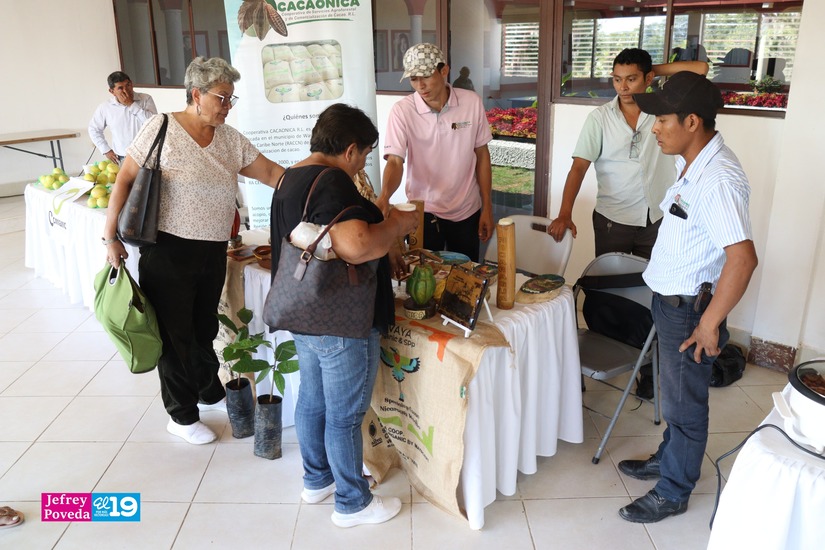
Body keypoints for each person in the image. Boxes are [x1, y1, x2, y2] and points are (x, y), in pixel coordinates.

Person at [102, 57, 286, 445]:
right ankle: (181, 415)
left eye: (231, 100)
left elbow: (271, 173)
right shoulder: (162, 127)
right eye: (222, 98)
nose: (226, 106)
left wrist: (312, 183)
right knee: (174, 335)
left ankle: (207, 391)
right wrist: (110, 237)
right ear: (196, 94)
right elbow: (124, 180)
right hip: (167, 249)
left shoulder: (230, 138)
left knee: (204, 326)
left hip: (213, 250)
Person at [617, 72, 758, 524]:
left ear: (692, 121)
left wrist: (709, 323)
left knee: (686, 405)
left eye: (661, 118)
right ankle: (669, 457)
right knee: (676, 398)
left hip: (688, 311)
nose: (653, 126)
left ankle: (674, 490)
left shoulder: (718, 179)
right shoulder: (693, 162)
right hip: (669, 299)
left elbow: (742, 259)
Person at [269, 104, 418, 528]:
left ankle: (317, 480)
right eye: (366, 156)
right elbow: (356, 246)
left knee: (313, 401)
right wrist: (396, 225)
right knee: (345, 415)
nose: (363, 165)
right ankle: (352, 502)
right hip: (341, 319)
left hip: (305, 311)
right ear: (350, 150)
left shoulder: (290, 177)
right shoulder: (333, 181)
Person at [548, 49, 707, 398]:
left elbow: (701, 68)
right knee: (611, 293)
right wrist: (564, 212)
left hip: (657, 218)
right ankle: (603, 355)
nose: (623, 86)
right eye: (617, 79)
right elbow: (578, 168)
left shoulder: (661, 112)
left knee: (656, 295)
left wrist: (653, 70)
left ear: (648, 79)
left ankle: (648, 367)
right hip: (613, 219)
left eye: (632, 78)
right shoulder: (600, 118)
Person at [378, 43, 493, 262]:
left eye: (426, 76)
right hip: (422, 212)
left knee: (465, 280)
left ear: (444, 70)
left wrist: (487, 205)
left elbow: (483, 155)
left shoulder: (471, 102)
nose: (420, 86)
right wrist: (385, 196)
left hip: (466, 210)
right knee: (423, 280)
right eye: (413, 79)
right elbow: (395, 161)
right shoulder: (402, 111)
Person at [88, 71, 157, 165]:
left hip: (148, 156)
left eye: (128, 85)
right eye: (120, 88)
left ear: (131, 84)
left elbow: (154, 124)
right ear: (112, 91)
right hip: (123, 158)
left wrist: (131, 104)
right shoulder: (105, 107)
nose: (126, 90)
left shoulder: (145, 99)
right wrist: (105, 150)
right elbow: (93, 129)